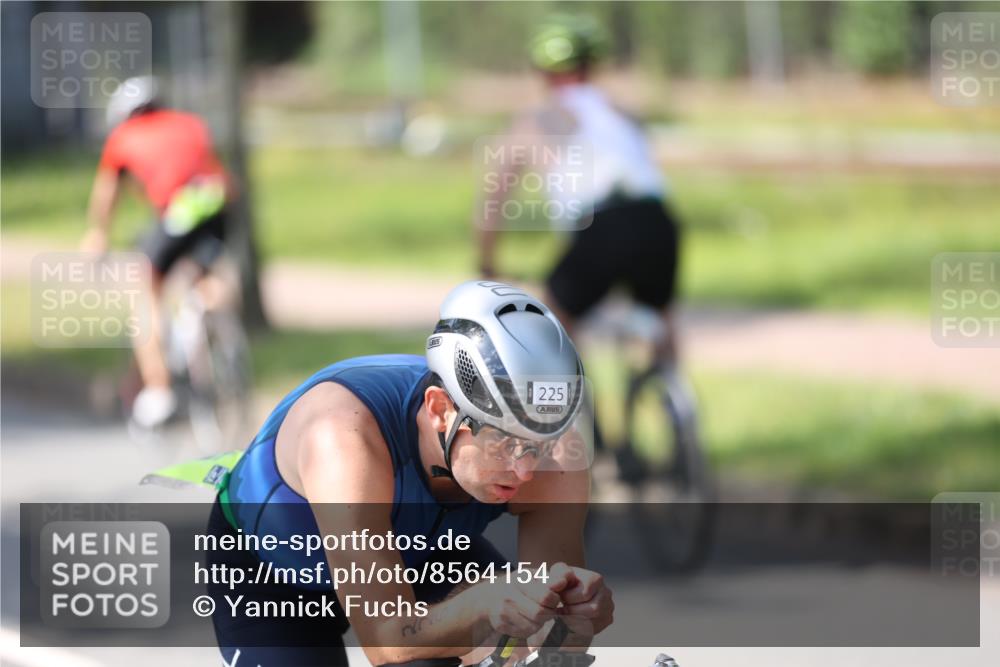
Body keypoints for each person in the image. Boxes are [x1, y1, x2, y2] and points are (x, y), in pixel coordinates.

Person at [206, 280, 613, 666]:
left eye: (539, 446)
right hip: (273, 576)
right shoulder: (342, 438)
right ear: (440, 410)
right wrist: (484, 604)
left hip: (421, 552)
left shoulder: (557, 453)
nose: (525, 470)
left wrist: (573, 624)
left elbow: (548, 646)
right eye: (505, 443)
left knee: (504, 644)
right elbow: (387, 640)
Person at [477, 15, 682, 361]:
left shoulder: (533, 121)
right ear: (593, 66)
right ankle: (675, 392)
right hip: (658, 220)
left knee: (555, 322)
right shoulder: (623, 112)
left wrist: (486, 261)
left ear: (543, 72)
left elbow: (495, 199)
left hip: (600, 226)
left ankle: (578, 407)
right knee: (659, 313)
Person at [80, 75, 234, 428]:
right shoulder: (191, 125)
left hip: (180, 212)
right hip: (216, 206)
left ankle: (160, 389)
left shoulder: (123, 138)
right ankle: (214, 324)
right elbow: (217, 174)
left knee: (145, 289)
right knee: (204, 273)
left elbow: (107, 195)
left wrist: (97, 235)